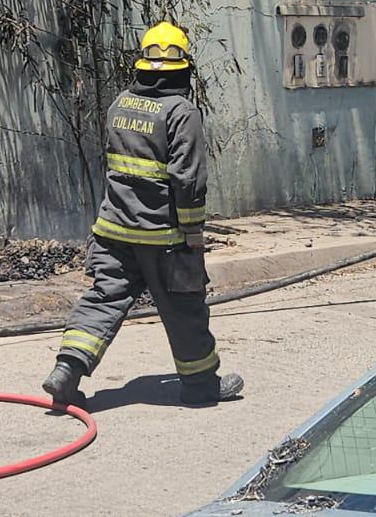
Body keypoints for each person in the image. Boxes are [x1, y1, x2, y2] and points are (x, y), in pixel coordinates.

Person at [42, 22, 244, 408]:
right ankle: (201, 386)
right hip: (162, 237)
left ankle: (67, 369)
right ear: (184, 69)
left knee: (104, 299)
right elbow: (188, 180)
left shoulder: (120, 104)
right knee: (184, 308)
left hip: (113, 231)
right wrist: (193, 234)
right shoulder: (181, 112)